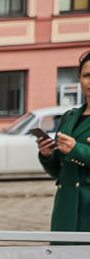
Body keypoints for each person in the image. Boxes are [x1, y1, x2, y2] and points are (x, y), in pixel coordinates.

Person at [38, 50, 90, 231]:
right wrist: (47, 155)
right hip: (66, 210)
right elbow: (57, 172)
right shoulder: (69, 117)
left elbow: (74, 153)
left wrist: (76, 150)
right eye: (86, 75)